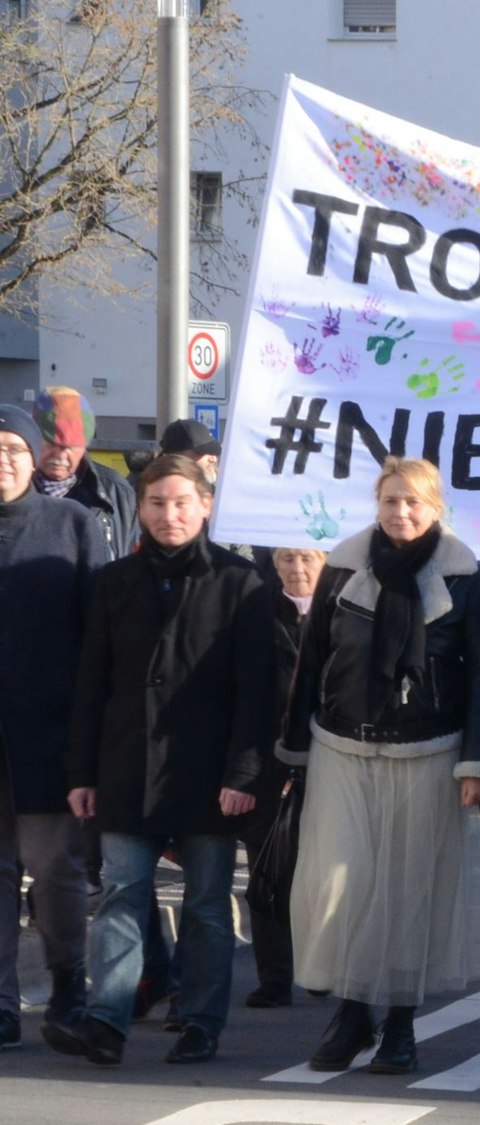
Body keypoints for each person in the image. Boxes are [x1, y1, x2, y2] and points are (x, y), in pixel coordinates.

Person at [45, 454, 275, 1066]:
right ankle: (107, 1020)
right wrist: (82, 773)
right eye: (156, 503)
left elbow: (259, 693)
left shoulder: (240, 581)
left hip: (209, 774)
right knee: (122, 892)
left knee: (205, 904)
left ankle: (200, 1020)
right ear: (141, 508)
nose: (169, 514)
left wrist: (245, 773)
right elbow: (91, 684)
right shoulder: (116, 581)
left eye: (181, 502)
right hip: (126, 766)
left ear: (205, 505)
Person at [281, 457, 480, 1074]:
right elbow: (311, 659)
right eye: (390, 500)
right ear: (376, 505)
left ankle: (400, 1023)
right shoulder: (343, 566)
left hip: (427, 752)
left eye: (413, 502)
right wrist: (293, 752)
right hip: (341, 748)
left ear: (435, 508)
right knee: (342, 886)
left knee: (409, 891)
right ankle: (352, 1014)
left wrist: (479, 764)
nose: (400, 512)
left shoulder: (464, 576)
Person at [0, 403, 109, 1049]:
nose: (3, 461)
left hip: (49, 734)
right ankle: (1, 1002)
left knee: (54, 866)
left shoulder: (71, 524)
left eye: (14, 448)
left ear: (35, 458)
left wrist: (90, 737)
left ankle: (70, 983)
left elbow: (98, 640)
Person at [246, 546, 325, 1009]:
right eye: (287, 559)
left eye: (307, 559)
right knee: (268, 866)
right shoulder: (255, 612)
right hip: (267, 759)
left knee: (325, 868)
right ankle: (274, 976)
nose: (297, 569)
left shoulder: (342, 614)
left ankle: (321, 963)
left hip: (329, 757)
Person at [30, 387, 137, 555]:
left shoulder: (116, 492)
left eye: (71, 447)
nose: (61, 456)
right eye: (51, 444)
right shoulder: (11, 487)